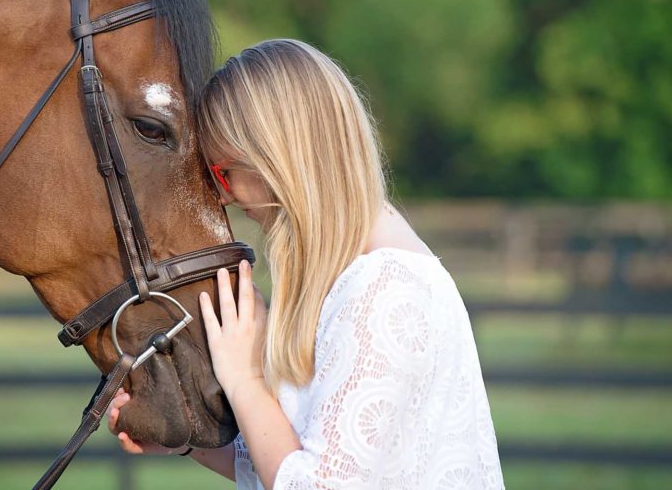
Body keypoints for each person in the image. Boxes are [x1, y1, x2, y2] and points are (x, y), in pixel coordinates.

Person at [107, 39, 504, 489]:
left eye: (222, 173)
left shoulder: (386, 289)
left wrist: (245, 379)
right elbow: (284, 461)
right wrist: (185, 441)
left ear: (278, 158)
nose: (223, 197)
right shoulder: (354, 280)